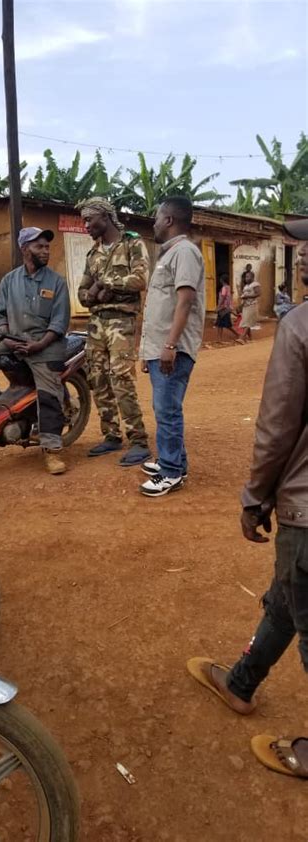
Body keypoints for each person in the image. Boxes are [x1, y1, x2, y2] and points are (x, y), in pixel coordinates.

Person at [187, 217, 308, 778]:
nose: (302, 255)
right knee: (287, 594)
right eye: (300, 245)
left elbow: (277, 427)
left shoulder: (301, 326)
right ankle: (241, 683)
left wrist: (253, 498)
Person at [0, 227, 70, 476]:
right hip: (12, 340)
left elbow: (59, 323)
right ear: (25, 249)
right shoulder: (9, 280)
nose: (45, 251)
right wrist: (6, 334)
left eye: (47, 247)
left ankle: (52, 450)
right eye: (39, 246)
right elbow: (1, 315)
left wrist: (39, 344)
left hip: (45, 347)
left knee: (49, 395)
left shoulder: (56, 283)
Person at [139, 196, 205, 497]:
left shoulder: (185, 252)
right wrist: (148, 350)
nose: (153, 222)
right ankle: (175, 461)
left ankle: (170, 472)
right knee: (163, 407)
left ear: (168, 220)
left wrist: (169, 345)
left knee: (167, 409)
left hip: (172, 348)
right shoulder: (169, 254)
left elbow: (185, 300)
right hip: (160, 348)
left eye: (157, 217)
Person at [77, 197, 150, 467]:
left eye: (89, 219)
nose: (85, 225)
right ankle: (111, 435)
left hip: (122, 321)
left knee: (122, 379)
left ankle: (139, 440)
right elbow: (83, 294)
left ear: (105, 217)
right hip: (97, 322)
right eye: (84, 220)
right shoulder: (93, 254)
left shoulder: (132, 243)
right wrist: (94, 293)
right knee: (98, 379)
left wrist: (107, 282)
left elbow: (140, 280)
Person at [215, 274, 239, 341]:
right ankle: (219, 339)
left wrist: (218, 306)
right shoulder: (228, 287)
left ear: (222, 280)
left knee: (226, 325)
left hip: (223, 308)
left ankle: (237, 334)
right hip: (226, 308)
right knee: (220, 324)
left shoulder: (223, 288)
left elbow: (222, 298)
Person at [238, 273, 261, 343]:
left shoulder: (255, 284)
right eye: (245, 277)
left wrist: (247, 297)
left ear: (252, 277)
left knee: (248, 321)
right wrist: (241, 305)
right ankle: (250, 338)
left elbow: (258, 294)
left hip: (252, 305)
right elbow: (244, 296)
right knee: (246, 321)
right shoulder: (246, 286)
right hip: (245, 306)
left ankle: (242, 338)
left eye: (248, 277)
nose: (246, 278)